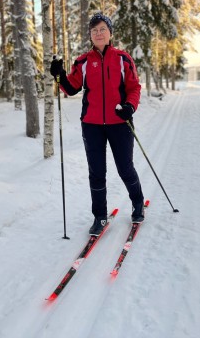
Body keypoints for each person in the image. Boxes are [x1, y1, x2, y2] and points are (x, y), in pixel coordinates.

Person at [49, 12, 145, 236]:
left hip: (120, 122)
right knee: (96, 172)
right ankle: (100, 217)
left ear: (110, 33)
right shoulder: (83, 61)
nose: (98, 33)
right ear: (90, 36)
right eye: (94, 30)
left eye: (102, 29)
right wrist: (60, 75)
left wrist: (129, 106)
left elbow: (134, 87)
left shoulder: (123, 59)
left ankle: (137, 202)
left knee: (125, 168)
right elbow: (72, 87)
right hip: (91, 125)